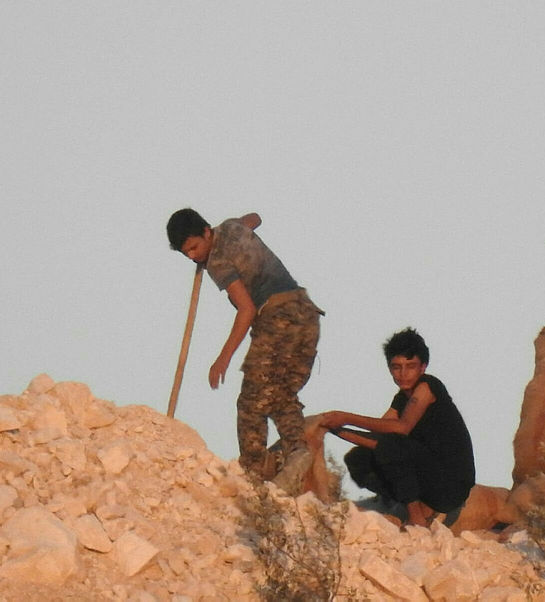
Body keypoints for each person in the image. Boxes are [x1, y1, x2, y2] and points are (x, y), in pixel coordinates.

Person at [167, 208, 324, 493]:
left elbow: (247, 309)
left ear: (206, 232)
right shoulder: (231, 227)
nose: (192, 256)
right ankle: (297, 452)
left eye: (194, 247)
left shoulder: (217, 263)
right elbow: (255, 218)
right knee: (280, 393)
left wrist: (222, 359)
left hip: (278, 317)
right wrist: (241, 228)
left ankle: (252, 474)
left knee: (251, 402)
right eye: (185, 252)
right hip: (306, 314)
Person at [321, 328, 475, 527]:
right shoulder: (402, 398)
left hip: (450, 483)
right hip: (426, 474)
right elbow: (377, 435)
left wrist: (346, 418)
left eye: (410, 366)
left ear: (423, 367)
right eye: (396, 367)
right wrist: (332, 427)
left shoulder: (428, 386)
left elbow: (401, 428)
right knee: (358, 458)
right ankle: (406, 503)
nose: (403, 374)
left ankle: (417, 517)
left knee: (393, 444)